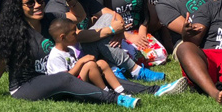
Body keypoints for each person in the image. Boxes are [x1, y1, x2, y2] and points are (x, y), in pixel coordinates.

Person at [0, 0, 142, 108]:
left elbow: (79, 17)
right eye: (30, 3)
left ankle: (152, 89)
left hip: (53, 77)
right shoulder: (14, 33)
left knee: (97, 66)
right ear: (19, 7)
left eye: (40, 0)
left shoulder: (50, 20)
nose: (37, 5)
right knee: (64, 78)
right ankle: (116, 99)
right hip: (26, 85)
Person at [44, 0, 165, 82]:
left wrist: (119, 32)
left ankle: (115, 69)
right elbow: (76, 35)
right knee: (101, 35)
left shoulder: (84, 0)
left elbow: (115, 15)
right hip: (72, 56)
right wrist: (111, 30)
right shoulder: (56, 6)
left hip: (89, 49)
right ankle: (135, 70)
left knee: (106, 19)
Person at [45, 17, 188, 97]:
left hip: (87, 67)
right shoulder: (57, 54)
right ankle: (154, 88)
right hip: (77, 78)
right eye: (73, 33)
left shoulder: (68, 48)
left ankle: (118, 87)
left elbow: (109, 16)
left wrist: (118, 31)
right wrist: (82, 61)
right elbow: (63, 80)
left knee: (101, 56)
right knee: (97, 49)